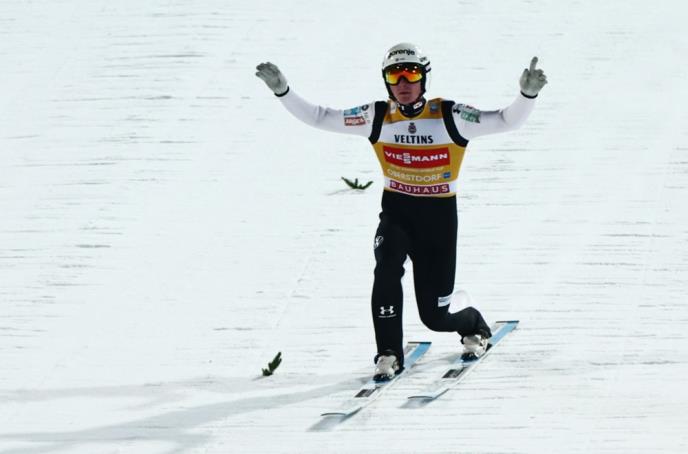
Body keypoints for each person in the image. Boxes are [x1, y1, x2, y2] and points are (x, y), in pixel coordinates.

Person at [255, 43, 547, 381]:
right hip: (397, 213)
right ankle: (388, 352)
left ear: (424, 78)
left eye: (411, 74)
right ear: (386, 82)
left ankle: (472, 323)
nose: (404, 82)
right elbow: (321, 117)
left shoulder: (450, 115)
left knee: (435, 318)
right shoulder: (376, 116)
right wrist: (283, 91)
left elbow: (506, 121)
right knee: (386, 267)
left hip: (438, 222)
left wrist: (526, 96)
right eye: (395, 76)